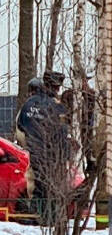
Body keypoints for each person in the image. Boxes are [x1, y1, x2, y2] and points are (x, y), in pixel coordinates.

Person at [16, 76, 70, 222]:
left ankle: (36, 217)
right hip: (51, 155)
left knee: (35, 187)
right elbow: (62, 132)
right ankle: (49, 219)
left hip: (32, 153)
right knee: (50, 188)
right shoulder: (54, 106)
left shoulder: (27, 105)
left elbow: (20, 127)